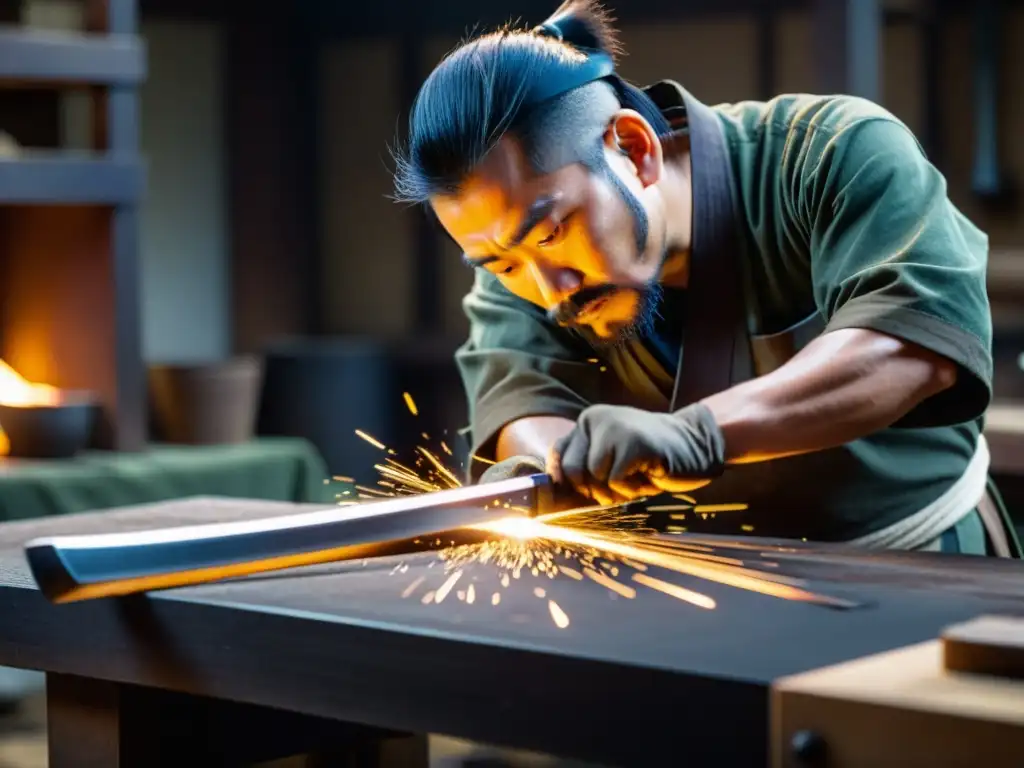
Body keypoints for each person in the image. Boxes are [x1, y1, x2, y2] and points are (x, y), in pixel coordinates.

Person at [392, 0, 1020, 557]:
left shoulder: (831, 154)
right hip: (703, 591)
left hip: (916, 561)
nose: (549, 287)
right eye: (501, 263)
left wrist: (698, 435)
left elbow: (909, 345)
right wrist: (551, 467)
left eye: (552, 230)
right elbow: (525, 397)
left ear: (634, 149)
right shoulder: (525, 267)